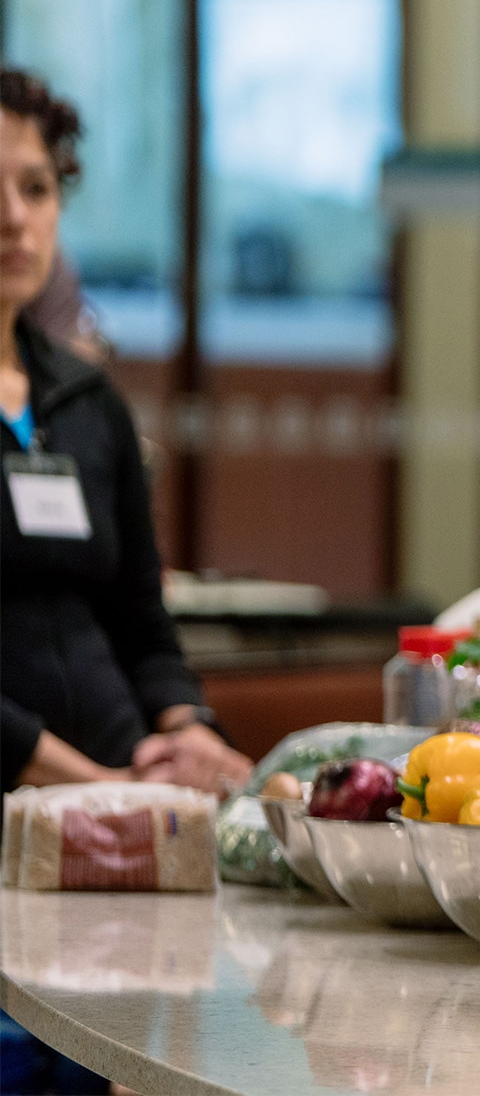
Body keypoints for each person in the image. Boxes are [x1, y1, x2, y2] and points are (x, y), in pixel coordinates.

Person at [0, 66, 251, 796]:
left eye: (37, 190)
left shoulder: (89, 401)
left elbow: (140, 619)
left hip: (123, 792)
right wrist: (91, 788)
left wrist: (187, 730)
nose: (14, 218)